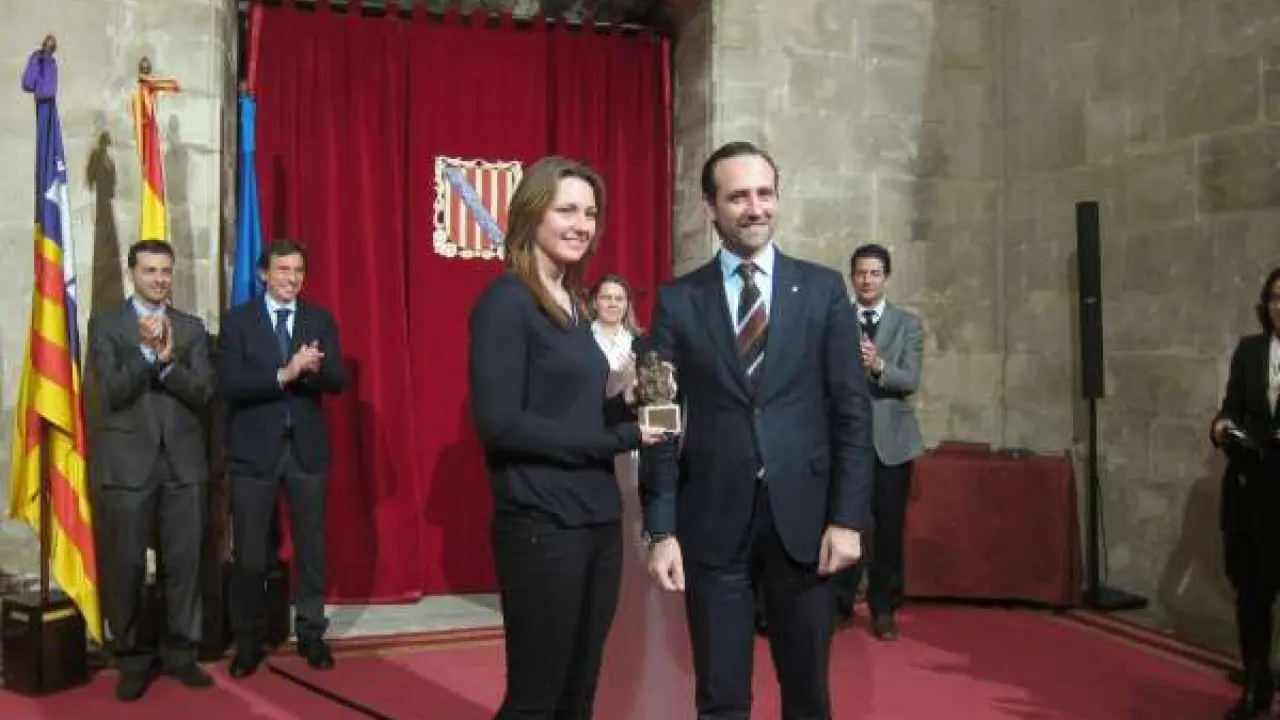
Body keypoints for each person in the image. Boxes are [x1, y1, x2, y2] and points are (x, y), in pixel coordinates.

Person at [640, 141, 874, 720]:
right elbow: (659, 418)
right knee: (720, 699)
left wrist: (847, 519)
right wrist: (661, 529)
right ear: (709, 208)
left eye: (765, 194)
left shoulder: (822, 290)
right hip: (712, 521)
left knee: (808, 696)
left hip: (807, 523)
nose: (755, 208)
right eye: (738, 196)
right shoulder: (677, 300)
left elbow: (852, 412)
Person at [468, 157, 664, 720]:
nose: (582, 225)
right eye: (568, 210)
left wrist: (629, 401)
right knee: (536, 698)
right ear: (532, 214)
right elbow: (500, 424)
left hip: (597, 519)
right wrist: (622, 438)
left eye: (591, 213)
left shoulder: (574, 304)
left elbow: (574, 412)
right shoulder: (507, 300)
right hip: (542, 524)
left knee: (579, 691)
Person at [88, 240, 214, 701]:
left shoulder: (192, 328)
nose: (159, 279)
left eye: (165, 271)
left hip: (184, 466)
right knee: (124, 565)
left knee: (184, 564)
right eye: (150, 270)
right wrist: (146, 356)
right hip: (127, 466)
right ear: (132, 273)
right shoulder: (105, 325)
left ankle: (182, 653)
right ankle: (131, 658)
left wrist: (166, 364)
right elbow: (112, 393)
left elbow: (203, 391)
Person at [218, 239, 347, 677]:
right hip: (254, 454)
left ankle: (312, 635)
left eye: (298, 271)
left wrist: (314, 370)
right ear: (263, 274)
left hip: (306, 452)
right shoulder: (238, 322)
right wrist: (284, 374)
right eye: (283, 270)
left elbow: (338, 380)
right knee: (251, 554)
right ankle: (248, 642)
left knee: (311, 549)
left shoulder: (319, 319)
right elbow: (230, 383)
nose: (292, 279)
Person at [589, 275, 694, 718]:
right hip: (596, 455)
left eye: (619, 297)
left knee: (637, 536)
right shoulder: (582, 344)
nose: (613, 303)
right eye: (605, 297)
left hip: (641, 451)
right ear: (594, 302)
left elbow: (661, 402)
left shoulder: (645, 346)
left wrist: (663, 439)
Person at [833, 243, 924, 640]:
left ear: (886, 278)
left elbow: (910, 379)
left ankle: (884, 608)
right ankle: (839, 604)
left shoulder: (907, 324)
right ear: (852, 277)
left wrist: (878, 365)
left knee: (887, 530)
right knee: (843, 522)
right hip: (845, 440)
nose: (866, 280)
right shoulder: (837, 319)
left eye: (874, 273)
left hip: (891, 444)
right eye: (860, 273)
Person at [1211, 266, 1280, 720]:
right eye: (1274, 297)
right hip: (1251, 486)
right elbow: (1231, 408)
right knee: (1252, 590)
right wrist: (1220, 427)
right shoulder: (1250, 351)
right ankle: (1256, 682)